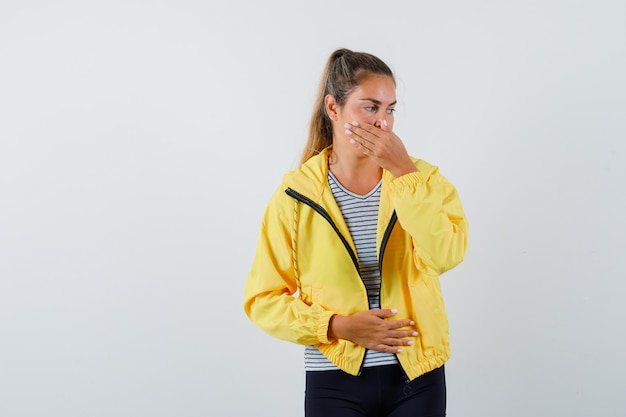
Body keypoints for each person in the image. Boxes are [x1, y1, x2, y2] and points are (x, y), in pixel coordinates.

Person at [243, 48, 468, 417]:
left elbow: (446, 255)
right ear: (333, 108)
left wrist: (405, 175)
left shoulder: (423, 180)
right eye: (371, 107)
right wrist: (337, 326)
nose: (383, 122)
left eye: (390, 109)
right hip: (334, 379)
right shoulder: (295, 198)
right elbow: (262, 299)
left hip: (418, 375)